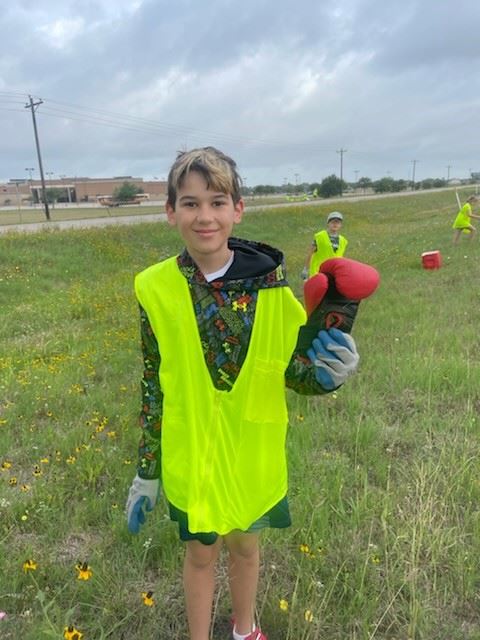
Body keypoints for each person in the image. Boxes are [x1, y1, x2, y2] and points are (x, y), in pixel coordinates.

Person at [125, 147, 359, 640]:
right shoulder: (154, 288)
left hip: (252, 452)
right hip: (194, 457)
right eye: (190, 203)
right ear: (170, 212)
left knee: (247, 549)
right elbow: (154, 381)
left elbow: (293, 371)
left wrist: (329, 373)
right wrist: (147, 470)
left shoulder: (272, 289)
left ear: (238, 209)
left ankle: (244, 628)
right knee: (201, 553)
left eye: (217, 201)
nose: (204, 216)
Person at [302, 211, 348, 279]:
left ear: (340, 225)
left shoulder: (343, 241)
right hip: (318, 272)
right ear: (328, 223)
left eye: (337, 222)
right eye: (333, 222)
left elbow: (340, 258)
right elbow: (310, 253)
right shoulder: (319, 236)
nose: (335, 224)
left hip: (333, 274)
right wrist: (306, 269)